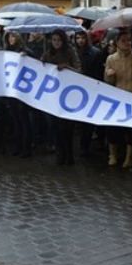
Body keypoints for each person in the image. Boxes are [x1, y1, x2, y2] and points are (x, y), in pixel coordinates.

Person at [104, 30, 132, 170]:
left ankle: (129, 158)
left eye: (129, 40)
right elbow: (107, 80)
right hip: (117, 96)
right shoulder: (111, 58)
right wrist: (109, 75)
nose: (127, 43)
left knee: (131, 129)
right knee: (113, 128)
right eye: (123, 40)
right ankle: (113, 155)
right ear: (117, 43)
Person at [42, 30, 81, 165]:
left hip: (68, 95)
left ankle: (69, 155)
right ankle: (60, 154)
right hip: (53, 95)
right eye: (54, 40)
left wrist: (67, 67)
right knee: (55, 127)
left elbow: (79, 70)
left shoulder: (70, 52)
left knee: (67, 128)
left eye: (59, 40)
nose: (56, 43)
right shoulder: (48, 53)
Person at [73, 31, 105, 157]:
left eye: (82, 37)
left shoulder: (95, 53)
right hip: (76, 89)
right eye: (78, 38)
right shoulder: (73, 52)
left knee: (88, 120)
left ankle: (85, 146)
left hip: (90, 89)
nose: (80, 40)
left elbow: (98, 73)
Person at [4, 31, 34, 157]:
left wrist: (27, 55)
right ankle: (18, 146)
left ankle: (26, 148)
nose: (11, 39)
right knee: (16, 121)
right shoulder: (6, 51)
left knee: (24, 121)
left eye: (13, 36)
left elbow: (34, 62)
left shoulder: (25, 50)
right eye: (9, 36)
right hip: (11, 92)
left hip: (22, 91)